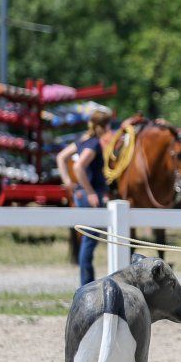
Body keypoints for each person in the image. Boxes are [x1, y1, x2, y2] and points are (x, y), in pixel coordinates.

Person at [56, 109, 113, 286]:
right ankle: (86, 283)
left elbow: (61, 157)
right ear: (103, 126)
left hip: (80, 193)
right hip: (89, 195)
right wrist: (90, 192)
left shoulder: (83, 140)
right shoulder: (94, 144)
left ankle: (86, 282)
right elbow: (79, 167)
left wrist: (67, 181)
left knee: (87, 239)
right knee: (90, 239)